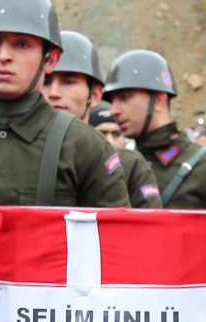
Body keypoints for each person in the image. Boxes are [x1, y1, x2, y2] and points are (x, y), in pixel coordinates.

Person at [0, 0, 128, 210]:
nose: (3, 56)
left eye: (21, 44)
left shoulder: (83, 145)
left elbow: (113, 237)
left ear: (51, 60)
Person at [103, 50, 206, 210]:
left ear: (159, 100)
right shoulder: (117, 165)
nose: (113, 110)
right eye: (112, 100)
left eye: (125, 97)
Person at [41, 30, 156, 210]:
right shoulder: (16, 151)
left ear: (94, 95)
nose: (54, 93)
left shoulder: (128, 166)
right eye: (46, 82)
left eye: (68, 82)